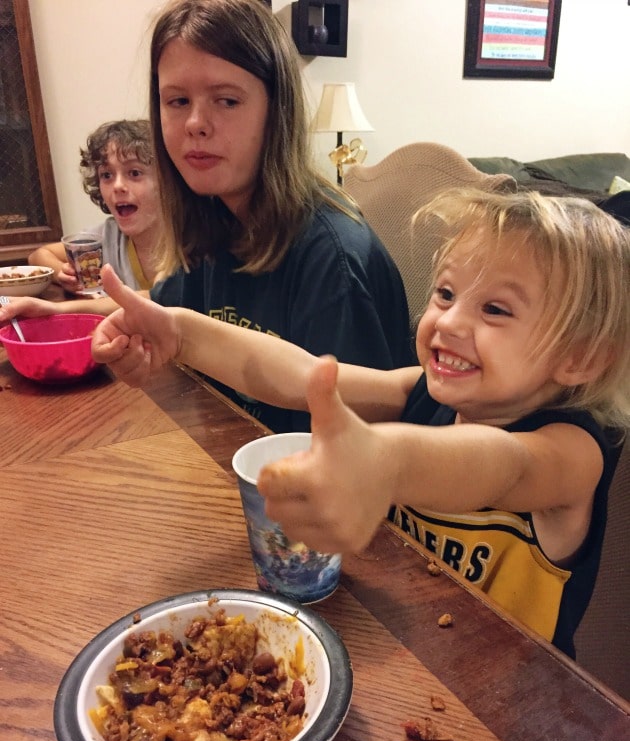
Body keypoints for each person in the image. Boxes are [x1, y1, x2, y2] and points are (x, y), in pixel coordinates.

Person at [91, 187, 630, 658]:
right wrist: (182, 333)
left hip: (525, 714)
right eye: (445, 293)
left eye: (496, 310)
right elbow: (297, 372)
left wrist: (386, 460)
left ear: (579, 358)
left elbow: (504, 467)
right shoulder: (421, 393)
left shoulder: (572, 451)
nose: (448, 321)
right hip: (414, 650)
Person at [4, 0, 413, 433]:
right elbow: (163, 311)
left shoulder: (332, 255)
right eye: (177, 100)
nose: (196, 123)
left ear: (277, 111)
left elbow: (369, 422)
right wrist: (54, 314)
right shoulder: (214, 218)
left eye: (227, 100)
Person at [29, 119, 162, 292]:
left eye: (134, 173)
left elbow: (159, 301)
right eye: (107, 175)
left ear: (167, 181)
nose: (117, 186)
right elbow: (39, 255)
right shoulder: (105, 238)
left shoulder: (191, 240)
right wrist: (62, 274)